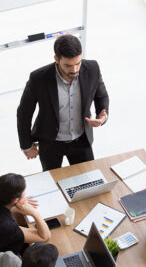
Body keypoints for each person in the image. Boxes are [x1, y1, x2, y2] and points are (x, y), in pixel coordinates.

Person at [16, 34, 109, 171]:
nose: (74, 70)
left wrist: (102, 116)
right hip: (50, 143)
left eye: (78, 63)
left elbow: (101, 96)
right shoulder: (38, 78)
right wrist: (26, 146)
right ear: (56, 59)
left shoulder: (92, 68)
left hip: (81, 140)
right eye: (68, 65)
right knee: (52, 184)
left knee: (89, 180)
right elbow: (24, 113)